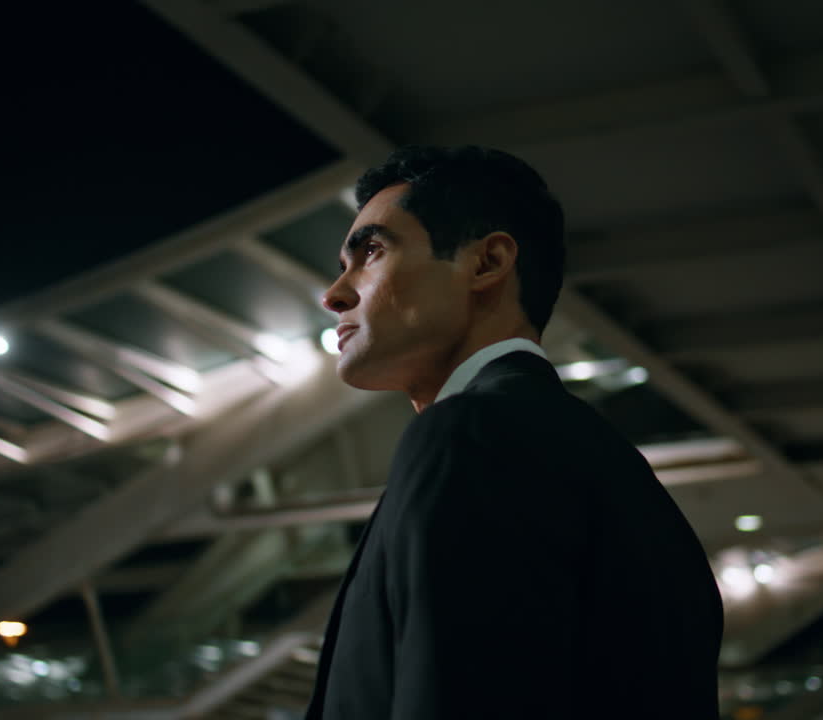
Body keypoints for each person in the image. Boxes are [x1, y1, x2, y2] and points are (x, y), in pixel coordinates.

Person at [306, 146, 723, 720]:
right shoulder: (609, 466)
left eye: (371, 252)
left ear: (487, 262)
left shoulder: (472, 435)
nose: (334, 294)